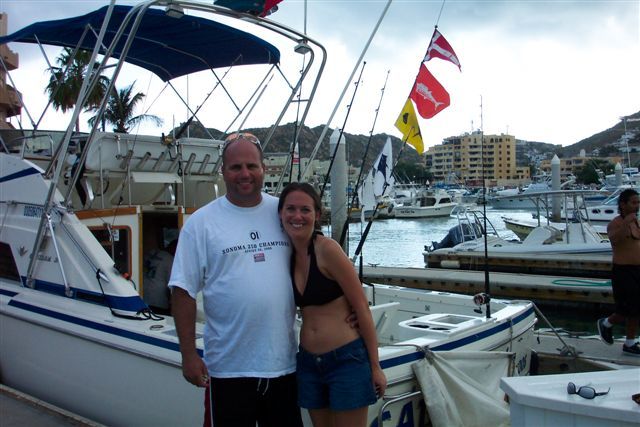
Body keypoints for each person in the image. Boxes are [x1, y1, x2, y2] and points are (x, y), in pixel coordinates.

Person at [169, 132, 302, 427]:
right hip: (228, 370)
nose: (245, 174)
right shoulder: (200, 223)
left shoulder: (283, 213)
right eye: (236, 167)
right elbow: (182, 291)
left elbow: (317, 264)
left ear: (263, 168)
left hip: (284, 366)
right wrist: (188, 355)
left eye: (251, 166)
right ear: (223, 171)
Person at [277, 182, 386, 427]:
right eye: (290, 209)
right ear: (280, 213)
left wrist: (375, 366)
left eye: (305, 210)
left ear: (317, 214)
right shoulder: (286, 254)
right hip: (307, 362)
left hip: (346, 360)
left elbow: (361, 307)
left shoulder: (328, 250)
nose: (297, 216)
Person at [597, 188, 640, 356]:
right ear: (623, 204)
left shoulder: (637, 222)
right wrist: (627, 222)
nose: (637, 206)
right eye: (633, 202)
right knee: (625, 309)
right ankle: (606, 323)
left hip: (638, 270)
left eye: (638, 203)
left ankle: (630, 342)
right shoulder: (615, 223)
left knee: (637, 309)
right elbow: (614, 239)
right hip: (623, 271)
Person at [143, 238, 177, 315]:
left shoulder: (152, 252)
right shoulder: (171, 260)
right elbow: (173, 285)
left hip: (143, 295)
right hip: (158, 301)